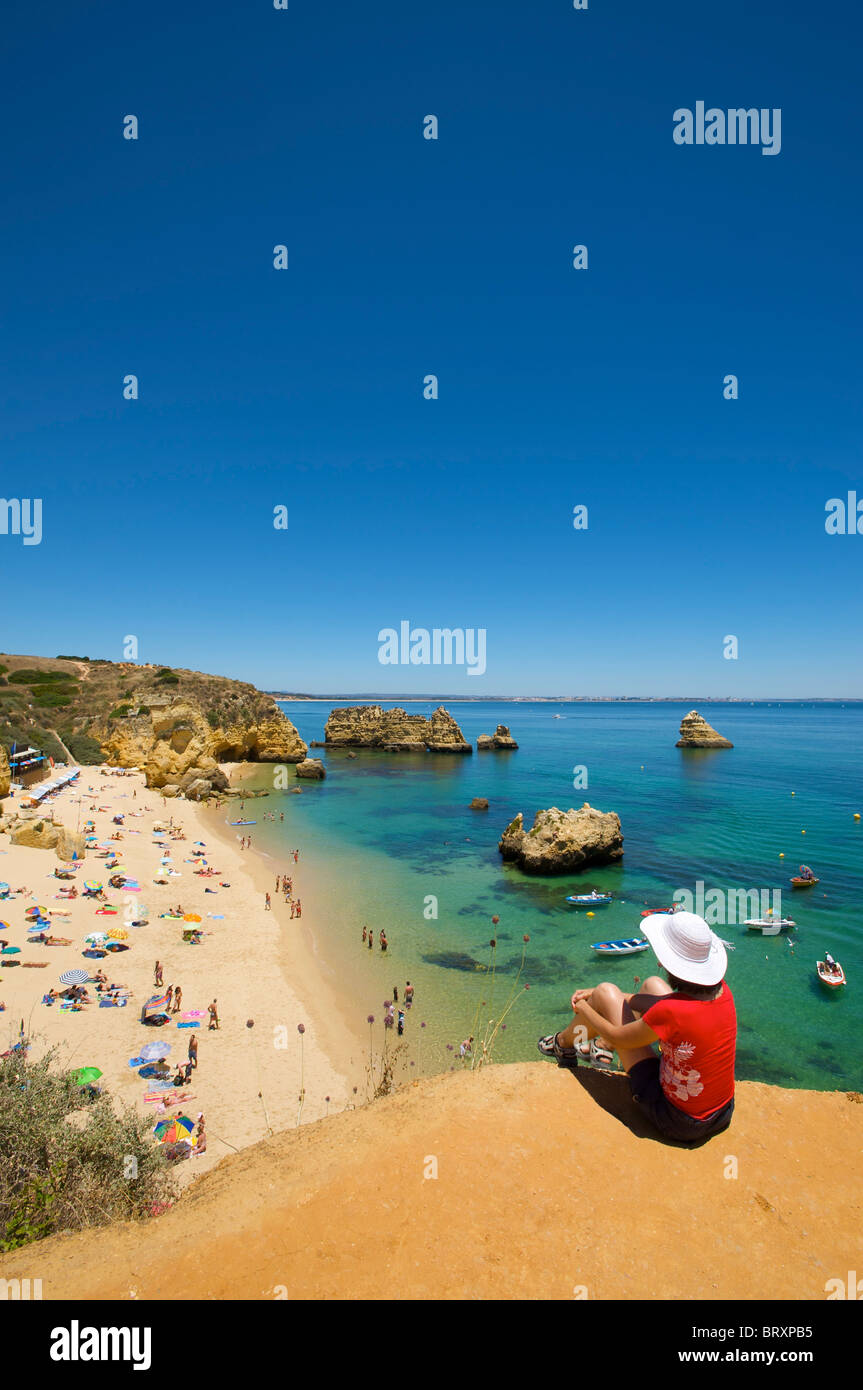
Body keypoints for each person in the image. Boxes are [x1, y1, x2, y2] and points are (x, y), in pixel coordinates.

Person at [537, 911, 736, 1144]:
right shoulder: (722, 991)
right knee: (653, 984)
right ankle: (588, 1043)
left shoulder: (672, 1012)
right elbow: (670, 1007)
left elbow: (619, 1038)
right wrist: (622, 997)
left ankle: (562, 1044)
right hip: (721, 1113)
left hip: (677, 1121)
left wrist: (585, 1007)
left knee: (604, 991)